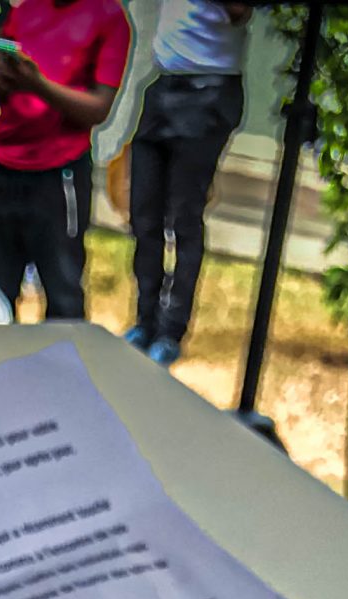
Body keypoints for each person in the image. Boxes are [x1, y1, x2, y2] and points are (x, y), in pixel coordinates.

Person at [0, 0, 130, 322]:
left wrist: (38, 84)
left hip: (59, 174)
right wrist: (2, 79)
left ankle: (61, 356)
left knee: (63, 291)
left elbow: (98, 109)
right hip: (1, 164)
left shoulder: (109, 16)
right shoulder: (25, 8)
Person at [126, 0, 249, 363]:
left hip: (210, 87)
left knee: (184, 217)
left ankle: (171, 329)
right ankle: (144, 319)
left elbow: (239, 11)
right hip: (165, 82)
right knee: (143, 212)